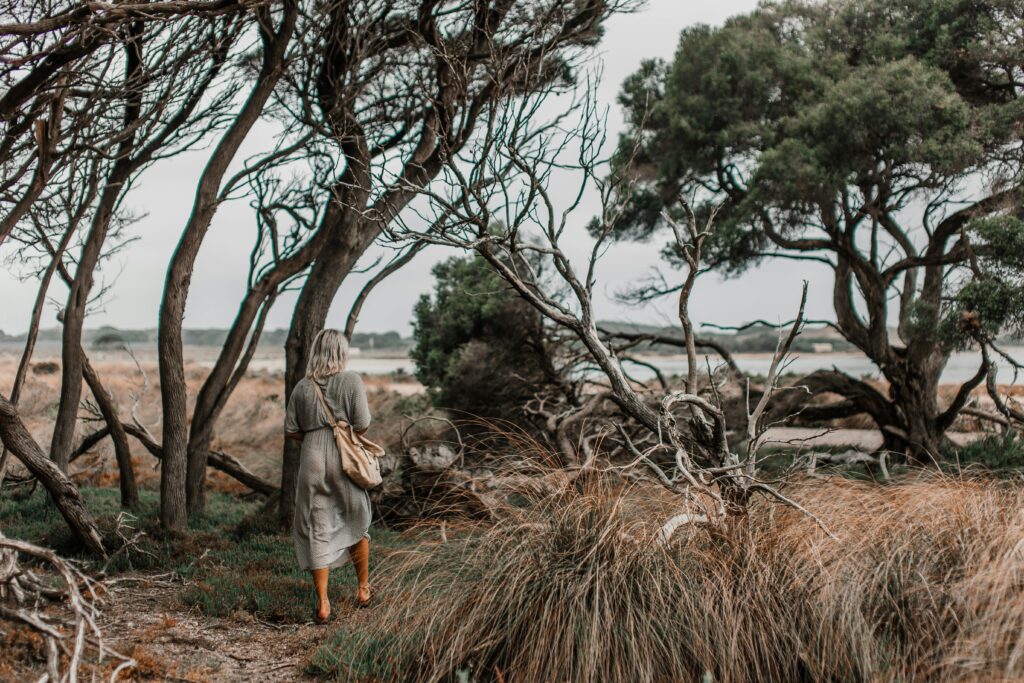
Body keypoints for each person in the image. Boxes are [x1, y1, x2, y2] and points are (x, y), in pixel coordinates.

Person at [285, 328, 372, 622]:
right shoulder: (352, 381)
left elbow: (291, 429)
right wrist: (341, 433)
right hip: (344, 457)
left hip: (311, 457)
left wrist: (315, 439)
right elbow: (362, 424)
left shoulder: (302, 387)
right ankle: (362, 589)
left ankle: (323, 602)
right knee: (357, 520)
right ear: (341, 352)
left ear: (316, 352)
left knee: (317, 526)